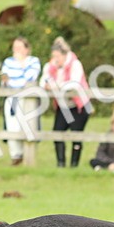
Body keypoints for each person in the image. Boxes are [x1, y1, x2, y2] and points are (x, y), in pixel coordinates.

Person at [41, 37, 90, 168]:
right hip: (63, 106)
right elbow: (43, 81)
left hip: (79, 105)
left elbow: (73, 84)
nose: (55, 60)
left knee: (76, 136)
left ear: (64, 55)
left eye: (57, 56)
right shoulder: (52, 66)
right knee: (57, 133)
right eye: (53, 56)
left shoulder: (75, 64)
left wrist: (55, 85)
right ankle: (60, 164)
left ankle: (74, 165)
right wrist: (52, 84)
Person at [0, 36, 41, 166]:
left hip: (27, 99)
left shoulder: (33, 61)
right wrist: (13, 82)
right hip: (12, 98)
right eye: (14, 47)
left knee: (27, 126)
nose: (16, 50)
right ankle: (15, 155)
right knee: (12, 127)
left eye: (19, 47)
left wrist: (20, 68)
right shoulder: (8, 62)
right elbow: (4, 80)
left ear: (27, 49)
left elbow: (30, 78)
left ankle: (28, 155)